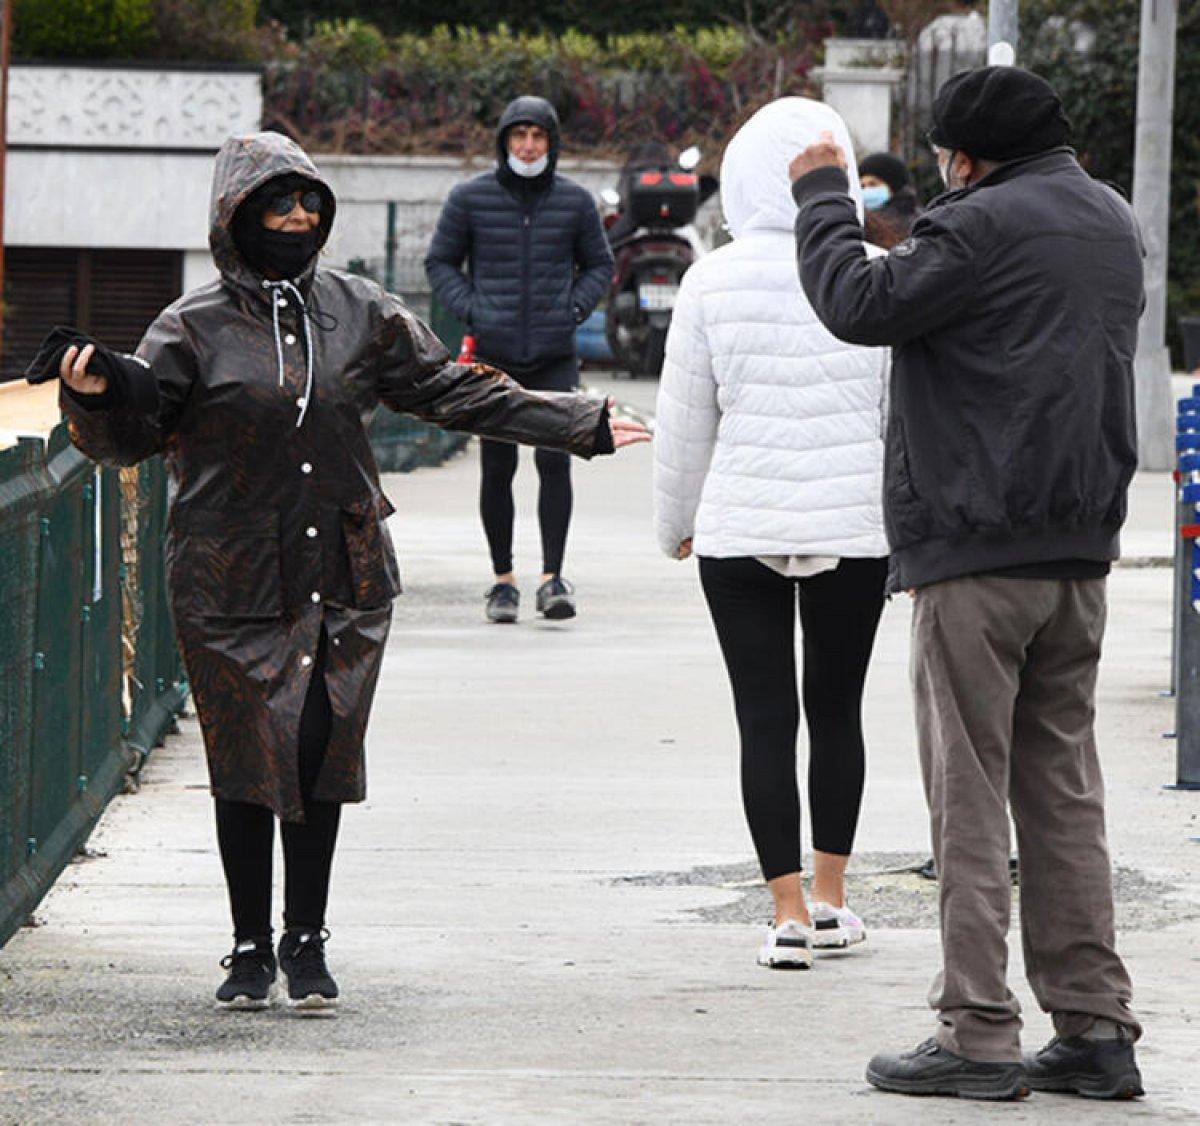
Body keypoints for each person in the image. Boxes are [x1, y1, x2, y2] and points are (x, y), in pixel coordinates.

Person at [50, 131, 648, 1014]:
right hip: (227, 573)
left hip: (341, 566)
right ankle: (249, 945)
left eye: (309, 204)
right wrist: (93, 399)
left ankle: (307, 937)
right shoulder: (191, 326)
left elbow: (450, 389)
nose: (297, 219)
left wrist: (576, 421)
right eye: (277, 205)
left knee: (319, 746)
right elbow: (132, 439)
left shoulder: (360, 311)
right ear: (236, 217)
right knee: (244, 754)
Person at [789, 66, 1144, 1099]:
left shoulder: (978, 223)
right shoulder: (1112, 218)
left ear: (966, 157)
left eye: (946, 156)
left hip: (978, 552)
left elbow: (858, 302)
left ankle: (977, 1029)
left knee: (969, 795)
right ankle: (1095, 1027)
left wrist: (823, 197)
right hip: (1077, 554)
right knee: (1064, 791)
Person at [654, 98, 889, 971]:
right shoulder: (873, 270)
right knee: (837, 711)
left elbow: (686, 419)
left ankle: (785, 915)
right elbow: (897, 416)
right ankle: (832, 899)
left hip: (740, 528)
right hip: (852, 527)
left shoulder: (709, 279)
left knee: (763, 719)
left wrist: (676, 522)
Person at [425, 95, 614, 624]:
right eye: (519, 135)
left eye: (538, 136)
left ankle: (553, 578)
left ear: (551, 143)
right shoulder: (469, 199)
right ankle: (503, 581)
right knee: (497, 465)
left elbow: (599, 264)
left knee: (556, 462)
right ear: (504, 141)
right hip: (494, 354)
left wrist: (573, 308)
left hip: (554, 354)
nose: (528, 146)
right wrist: (473, 310)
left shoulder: (575, 202)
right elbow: (441, 262)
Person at [858, 151, 923, 251]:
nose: (866, 190)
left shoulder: (917, 223)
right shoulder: (861, 218)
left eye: (873, 184)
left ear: (893, 186)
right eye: (862, 186)